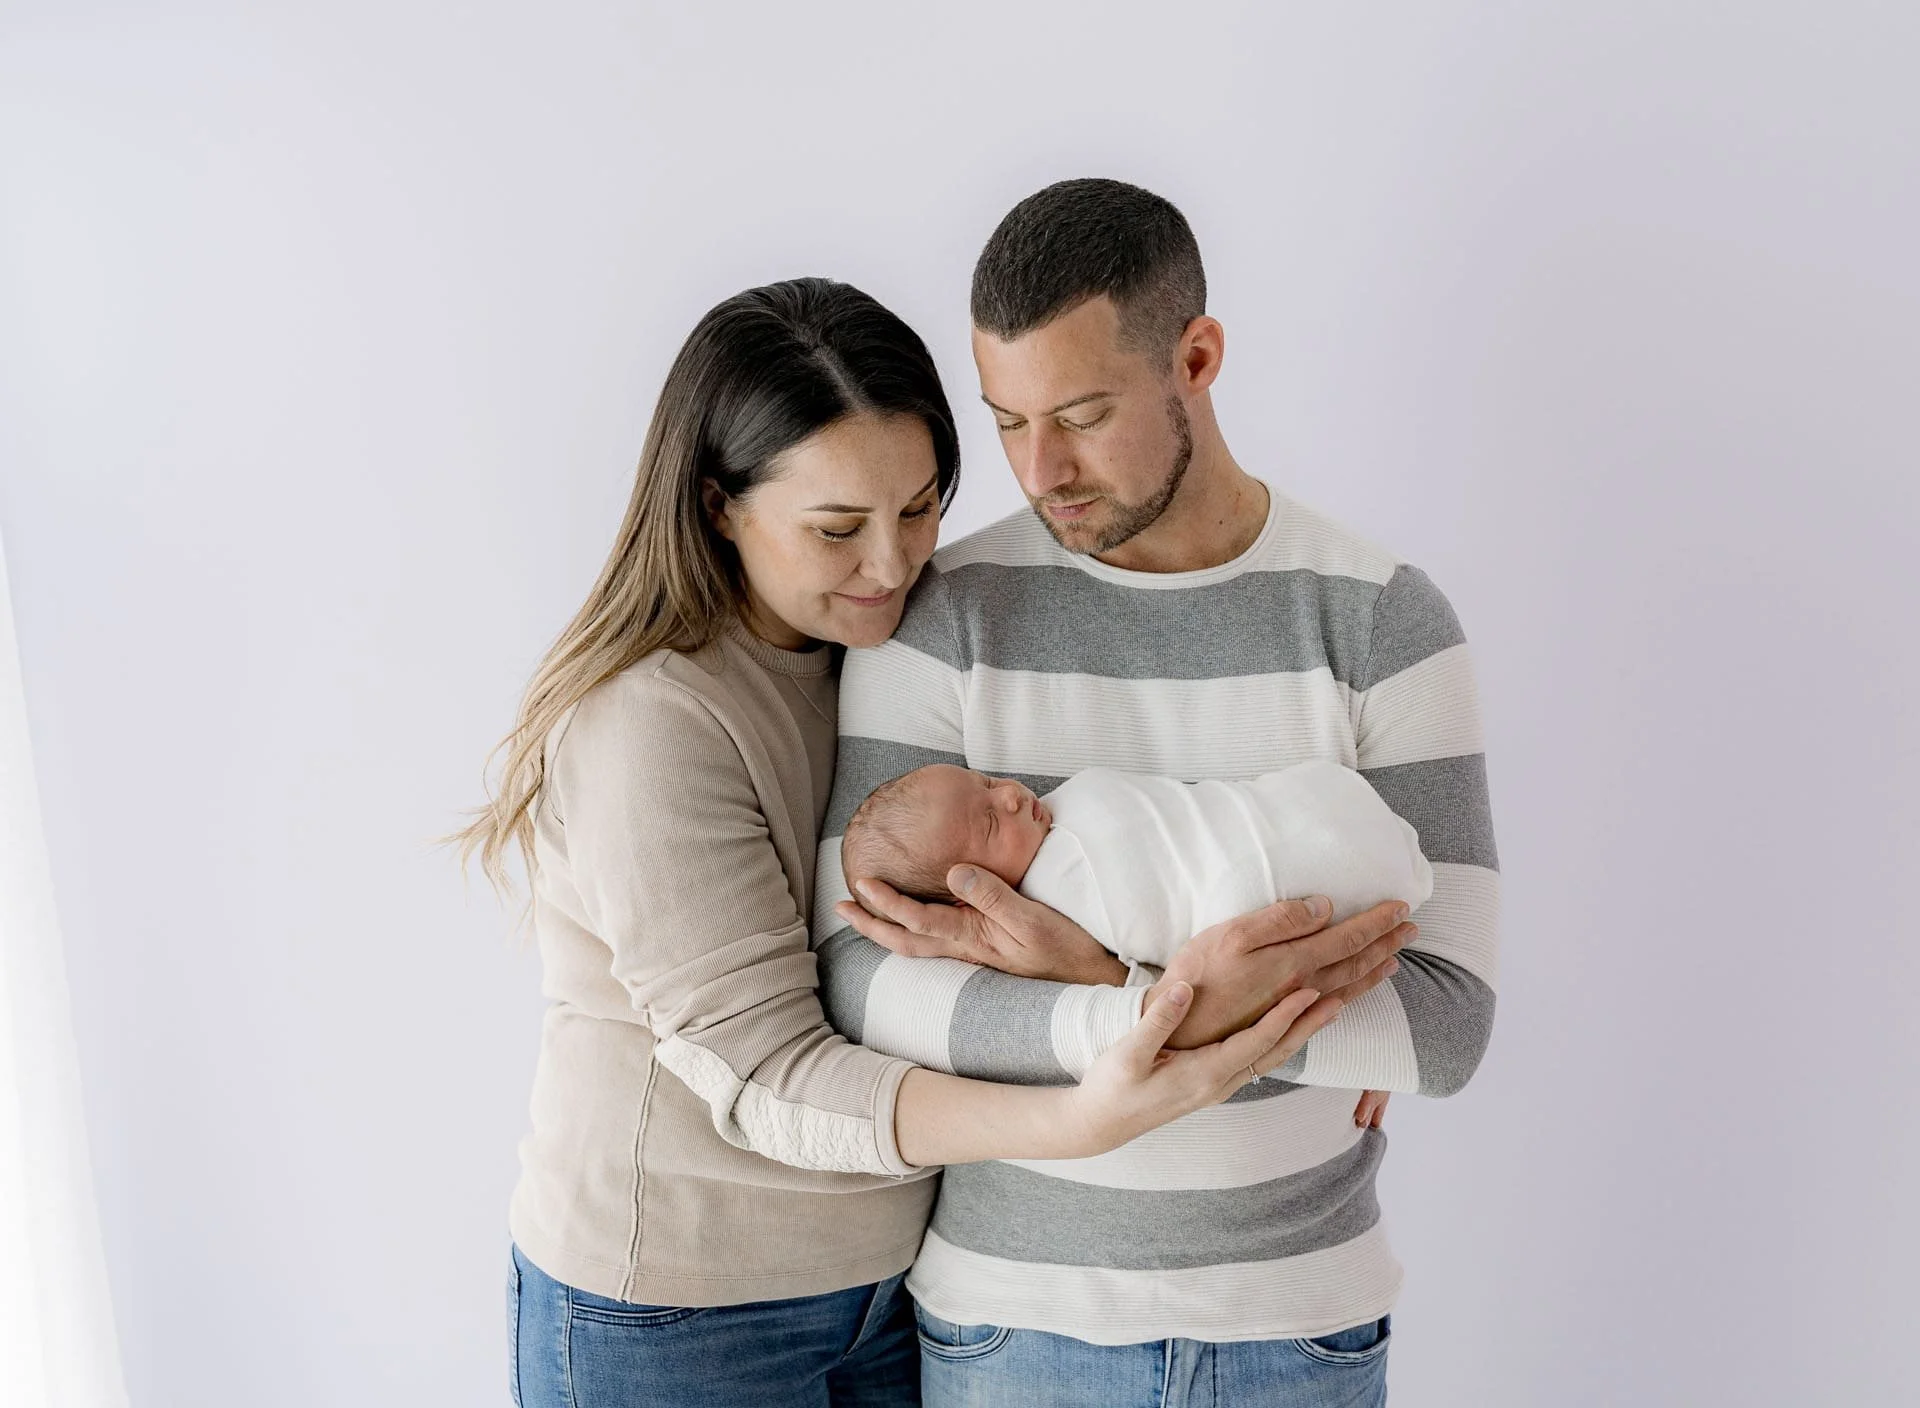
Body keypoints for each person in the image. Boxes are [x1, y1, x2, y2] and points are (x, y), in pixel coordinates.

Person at [454, 277, 1409, 1408]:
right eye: (837, 529)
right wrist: (1091, 1101)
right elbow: (768, 1073)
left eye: (919, 508)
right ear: (718, 506)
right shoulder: (652, 728)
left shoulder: (881, 654)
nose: (893, 565)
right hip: (673, 1305)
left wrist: (1301, 987)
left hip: (893, 1290)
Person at [816, 180, 1500, 1406]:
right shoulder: (941, 620)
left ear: (1197, 357)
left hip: (1298, 1321)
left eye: (1081, 413)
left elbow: (1446, 1028)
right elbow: (862, 980)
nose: (1040, 470)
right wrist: (1223, 1015)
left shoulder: (1384, 621)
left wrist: (1101, 979)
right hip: (1014, 1321)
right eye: (1008, 420)